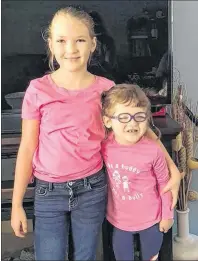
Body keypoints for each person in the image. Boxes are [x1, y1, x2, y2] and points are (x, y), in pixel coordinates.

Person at [11, 6, 180, 261]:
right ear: (51, 45)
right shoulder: (38, 90)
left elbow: (141, 129)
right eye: (61, 40)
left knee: (86, 255)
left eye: (80, 40)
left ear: (93, 44)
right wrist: (16, 204)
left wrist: (173, 169)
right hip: (48, 193)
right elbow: (27, 147)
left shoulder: (106, 89)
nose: (71, 49)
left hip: (91, 189)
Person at [101, 84, 174, 261]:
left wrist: (167, 216)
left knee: (151, 257)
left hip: (151, 219)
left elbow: (165, 184)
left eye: (140, 116)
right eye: (124, 117)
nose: (133, 123)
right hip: (119, 221)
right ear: (108, 121)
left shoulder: (153, 150)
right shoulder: (104, 147)